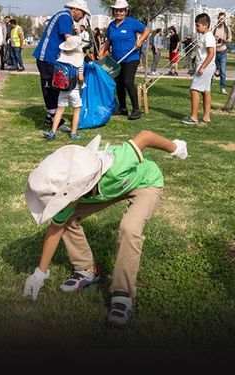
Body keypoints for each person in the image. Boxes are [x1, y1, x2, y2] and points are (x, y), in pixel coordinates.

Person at [23, 131, 188, 328]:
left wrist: (176, 147)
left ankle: (122, 295)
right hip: (107, 190)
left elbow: (145, 137)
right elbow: (55, 229)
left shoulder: (116, 165)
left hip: (145, 183)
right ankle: (87, 270)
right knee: (66, 221)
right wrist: (39, 273)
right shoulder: (69, 195)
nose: (61, 204)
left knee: (129, 228)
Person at [33, 0, 90, 127]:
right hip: (47, 56)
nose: (82, 17)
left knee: (54, 86)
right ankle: (53, 117)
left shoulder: (63, 16)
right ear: (75, 10)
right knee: (51, 86)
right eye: (83, 14)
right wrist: (82, 51)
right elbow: (69, 39)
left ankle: (51, 115)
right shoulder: (65, 17)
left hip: (52, 57)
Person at [98, 0, 149, 120]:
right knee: (118, 84)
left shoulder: (132, 23)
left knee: (127, 82)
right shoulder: (111, 25)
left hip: (131, 58)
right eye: (116, 10)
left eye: (121, 10)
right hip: (116, 59)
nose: (119, 13)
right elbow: (108, 41)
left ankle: (136, 110)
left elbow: (146, 30)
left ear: (126, 11)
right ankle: (123, 108)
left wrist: (140, 41)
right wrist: (101, 51)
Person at [43, 36, 85, 141]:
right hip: (74, 89)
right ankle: (73, 133)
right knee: (76, 110)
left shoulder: (61, 55)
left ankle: (53, 132)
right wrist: (82, 84)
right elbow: (80, 77)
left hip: (62, 88)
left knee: (59, 110)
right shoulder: (79, 58)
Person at [181, 13, 216, 126]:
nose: (196, 28)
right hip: (204, 66)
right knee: (206, 91)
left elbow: (211, 54)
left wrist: (202, 67)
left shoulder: (209, 36)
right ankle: (206, 117)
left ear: (205, 25)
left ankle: (194, 117)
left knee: (194, 90)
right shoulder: (204, 35)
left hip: (205, 67)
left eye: (198, 25)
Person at [214, 12, 231, 95]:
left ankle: (223, 88)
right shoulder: (215, 28)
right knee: (211, 71)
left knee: (223, 71)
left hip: (223, 52)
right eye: (220, 19)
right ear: (218, 19)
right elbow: (211, 39)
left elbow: (229, 39)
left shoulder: (227, 29)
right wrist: (216, 39)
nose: (222, 20)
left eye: (223, 19)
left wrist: (226, 40)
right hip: (214, 52)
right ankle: (208, 87)